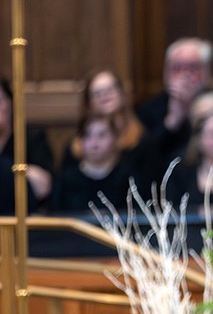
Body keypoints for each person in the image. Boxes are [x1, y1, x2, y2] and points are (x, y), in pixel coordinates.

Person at [137, 37, 213, 181]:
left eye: (192, 68)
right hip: (163, 181)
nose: (184, 75)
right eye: (177, 68)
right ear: (166, 72)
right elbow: (142, 156)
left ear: (206, 71)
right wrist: (172, 121)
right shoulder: (150, 108)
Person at [63, 69, 146, 169]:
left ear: (122, 94)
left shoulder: (141, 140)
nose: (105, 96)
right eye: (97, 93)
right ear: (88, 102)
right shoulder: (76, 148)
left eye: (110, 89)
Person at [52, 115, 133, 212]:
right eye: (87, 135)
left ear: (114, 139)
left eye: (102, 135)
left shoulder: (128, 179)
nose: (94, 143)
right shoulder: (66, 180)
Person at [0, 77, 55, 213]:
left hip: (25, 217)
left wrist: (10, 169)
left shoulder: (32, 139)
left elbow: (43, 186)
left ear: (10, 104)